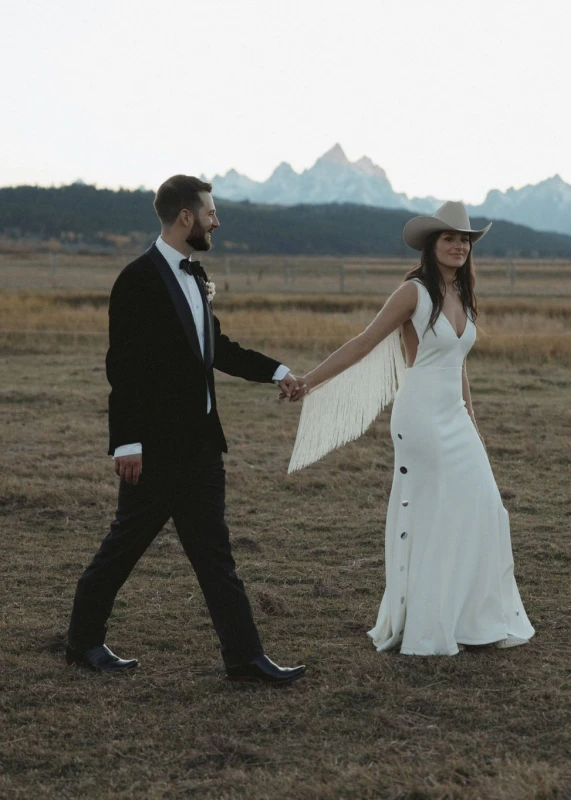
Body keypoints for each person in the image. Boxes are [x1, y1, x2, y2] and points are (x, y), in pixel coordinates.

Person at [66, 175, 306, 683]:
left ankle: (245, 659)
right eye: (211, 213)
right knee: (122, 549)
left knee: (216, 557)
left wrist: (278, 371)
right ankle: (82, 643)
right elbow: (124, 368)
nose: (217, 221)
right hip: (154, 452)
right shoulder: (137, 279)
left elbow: (216, 348)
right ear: (185, 217)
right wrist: (127, 442)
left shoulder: (196, 277)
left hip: (201, 448)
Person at [292, 201, 534, 655]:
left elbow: (458, 367)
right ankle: (429, 625)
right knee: (435, 516)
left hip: (455, 417)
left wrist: (473, 422)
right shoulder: (414, 293)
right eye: (449, 238)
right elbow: (364, 342)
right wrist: (309, 381)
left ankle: (474, 620)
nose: (459, 245)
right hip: (420, 416)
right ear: (431, 245)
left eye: (465, 239)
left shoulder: (463, 294)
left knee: (484, 509)